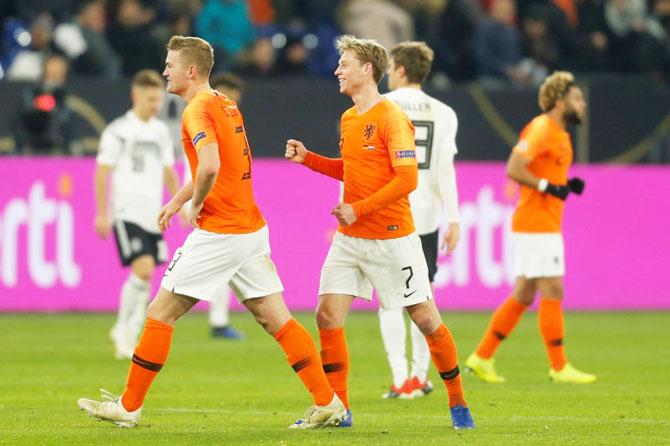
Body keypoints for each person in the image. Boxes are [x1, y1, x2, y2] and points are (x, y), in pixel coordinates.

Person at [78, 36, 346, 430]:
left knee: (159, 313)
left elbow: (209, 166)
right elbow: (226, 164)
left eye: (170, 64)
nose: (165, 70)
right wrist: (177, 200)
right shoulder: (224, 102)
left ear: (190, 70)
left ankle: (129, 407)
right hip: (250, 227)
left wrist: (197, 201)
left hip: (221, 231)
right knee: (276, 319)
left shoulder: (196, 111)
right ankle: (327, 402)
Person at [284, 35, 474, 430]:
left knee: (425, 319)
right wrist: (310, 160)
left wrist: (359, 208)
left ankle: (458, 402)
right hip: (351, 238)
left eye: (344, 63)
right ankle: (341, 409)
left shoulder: (391, 117)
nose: (337, 70)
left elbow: (407, 179)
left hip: (392, 238)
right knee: (327, 314)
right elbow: (352, 170)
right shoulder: (351, 118)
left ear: (366, 70)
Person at [465, 71, 596, 384]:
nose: (583, 105)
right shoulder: (542, 128)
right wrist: (549, 186)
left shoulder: (560, 133)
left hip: (542, 222)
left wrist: (563, 185)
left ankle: (481, 357)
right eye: (577, 99)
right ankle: (559, 366)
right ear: (560, 100)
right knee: (553, 289)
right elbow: (514, 167)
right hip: (536, 224)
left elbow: (544, 174)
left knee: (524, 294)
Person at [378, 41, 461, 399]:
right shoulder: (445, 112)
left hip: (388, 213)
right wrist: (453, 218)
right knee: (423, 296)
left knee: (389, 298)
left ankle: (400, 379)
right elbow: (445, 169)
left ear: (399, 69)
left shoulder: (381, 106)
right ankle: (420, 376)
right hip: (426, 216)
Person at [94, 69, 180, 359]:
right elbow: (102, 172)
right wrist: (102, 213)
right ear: (136, 96)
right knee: (142, 269)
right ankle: (123, 331)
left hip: (152, 213)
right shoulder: (118, 130)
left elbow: (169, 171)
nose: (155, 104)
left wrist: (178, 203)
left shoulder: (160, 132)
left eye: (158, 99)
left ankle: (127, 333)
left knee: (146, 276)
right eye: (150, 98)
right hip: (126, 210)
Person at [207, 71, 246, 339]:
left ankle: (219, 319)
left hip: (230, 204)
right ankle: (218, 321)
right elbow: (200, 166)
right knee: (225, 264)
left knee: (229, 263)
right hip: (213, 204)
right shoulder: (205, 121)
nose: (232, 105)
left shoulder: (231, 124)